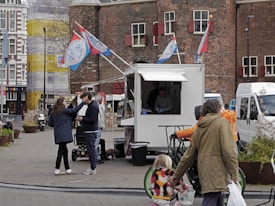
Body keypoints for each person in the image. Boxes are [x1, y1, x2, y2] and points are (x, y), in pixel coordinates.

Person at [169, 99, 239, 206]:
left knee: (217, 198)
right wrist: (234, 174)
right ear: (218, 109)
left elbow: (188, 157)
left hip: (205, 171)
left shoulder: (199, 128)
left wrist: (176, 177)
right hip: (217, 172)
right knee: (211, 199)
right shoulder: (222, 123)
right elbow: (228, 150)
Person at [48, 96, 84, 175]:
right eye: (65, 102)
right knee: (61, 151)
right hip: (64, 133)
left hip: (58, 133)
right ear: (62, 103)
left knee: (64, 151)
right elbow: (75, 110)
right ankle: (57, 169)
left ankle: (68, 169)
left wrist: (58, 125)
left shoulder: (53, 112)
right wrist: (83, 102)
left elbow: (50, 123)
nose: (66, 103)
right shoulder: (64, 111)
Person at [76, 92, 99, 175]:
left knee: (91, 150)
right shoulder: (92, 105)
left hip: (91, 131)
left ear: (86, 97)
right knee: (90, 149)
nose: (82, 100)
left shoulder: (93, 107)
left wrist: (82, 119)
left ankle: (93, 168)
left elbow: (92, 119)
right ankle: (92, 167)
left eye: (83, 98)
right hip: (90, 130)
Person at [94, 94, 107, 163]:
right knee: (96, 142)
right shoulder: (98, 107)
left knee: (97, 142)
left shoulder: (98, 106)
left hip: (98, 126)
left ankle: (96, 156)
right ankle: (96, 157)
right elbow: (99, 118)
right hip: (98, 127)